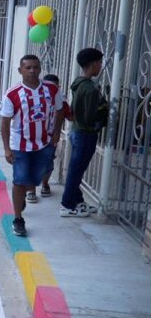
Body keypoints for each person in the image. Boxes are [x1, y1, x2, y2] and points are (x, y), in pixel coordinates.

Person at [0, 55, 63, 236]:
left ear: (40, 69)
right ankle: (18, 219)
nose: (32, 71)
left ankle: (25, 193)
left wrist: (56, 133)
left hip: (44, 144)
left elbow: (59, 111)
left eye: (35, 67)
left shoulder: (52, 89)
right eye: (27, 67)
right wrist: (6, 148)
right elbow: (5, 122)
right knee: (19, 181)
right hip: (20, 146)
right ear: (20, 70)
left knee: (37, 177)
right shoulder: (12, 94)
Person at [60, 48, 107, 217]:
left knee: (76, 168)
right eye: (100, 63)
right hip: (86, 133)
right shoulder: (90, 88)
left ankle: (77, 201)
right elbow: (89, 116)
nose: (101, 66)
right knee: (76, 170)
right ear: (93, 64)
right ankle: (67, 204)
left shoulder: (78, 83)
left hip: (77, 131)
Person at [40, 74, 73, 198]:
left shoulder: (62, 100)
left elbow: (69, 116)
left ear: (58, 87)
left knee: (48, 161)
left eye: (54, 87)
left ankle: (44, 184)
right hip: (33, 136)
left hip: (51, 136)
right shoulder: (35, 97)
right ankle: (31, 191)